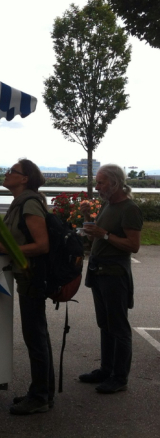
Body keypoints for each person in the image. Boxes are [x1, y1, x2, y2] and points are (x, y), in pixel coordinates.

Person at [0, 159, 54, 415]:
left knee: (35, 337)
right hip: (27, 276)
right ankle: (43, 393)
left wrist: (8, 248)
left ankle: (39, 397)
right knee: (39, 335)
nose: (6, 174)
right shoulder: (20, 203)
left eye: (12, 171)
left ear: (24, 179)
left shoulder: (29, 203)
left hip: (33, 277)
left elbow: (42, 245)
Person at [78, 164, 143, 394]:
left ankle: (119, 377)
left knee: (118, 327)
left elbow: (133, 246)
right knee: (105, 325)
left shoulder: (130, 209)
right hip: (99, 272)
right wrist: (88, 217)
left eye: (101, 182)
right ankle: (106, 370)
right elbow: (99, 231)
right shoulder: (109, 204)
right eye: (97, 182)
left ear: (115, 183)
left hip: (115, 274)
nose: (97, 187)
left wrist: (104, 234)